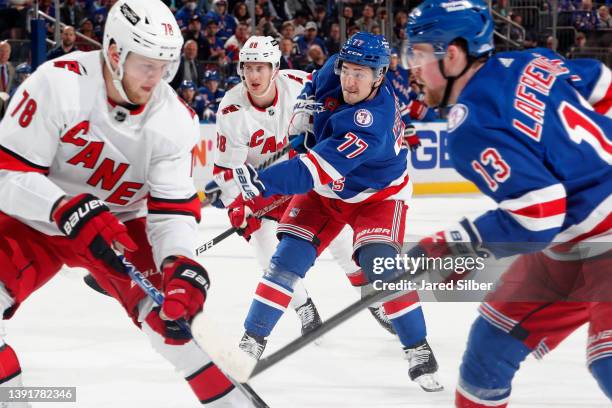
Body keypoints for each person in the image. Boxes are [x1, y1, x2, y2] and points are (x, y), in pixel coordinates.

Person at [0, 1, 258, 406]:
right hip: (36, 218)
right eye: (147, 64)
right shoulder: (58, 84)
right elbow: (6, 174)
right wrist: (63, 208)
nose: (157, 78)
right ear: (115, 52)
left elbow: (171, 211)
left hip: (121, 230)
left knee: (176, 325)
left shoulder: (175, 120)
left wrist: (179, 263)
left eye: (165, 65)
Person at [205, 32, 443, 392]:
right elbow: (316, 83)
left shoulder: (370, 123)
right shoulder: (337, 68)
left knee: (381, 265)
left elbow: (307, 171)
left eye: (361, 74)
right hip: (324, 191)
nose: (349, 80)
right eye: (348, 70)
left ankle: (418, 348)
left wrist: (259, 185)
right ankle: (251, 342)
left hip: (375, 196)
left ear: (379, 77)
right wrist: (303, 110)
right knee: (284, 262)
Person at [403, 0, 612, 406]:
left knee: (608, 361)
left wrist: (454, 244)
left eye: (418, 52)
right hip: (577, 242)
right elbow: (601, 81)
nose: (410, 65)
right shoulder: (531, 60)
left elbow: (538, 216)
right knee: (491, 346)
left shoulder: (470, 126)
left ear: (454, 54)